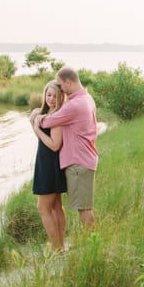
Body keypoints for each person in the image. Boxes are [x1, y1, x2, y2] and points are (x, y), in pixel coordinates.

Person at [33, 66, 98, 230]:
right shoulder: (87, 98)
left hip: (79, 162)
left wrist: (36, 118)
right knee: (83, 206)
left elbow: (47, 123)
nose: (60, 89)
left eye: (61, 86)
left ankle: (94, 246)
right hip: (85, 158)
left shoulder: (74, 105)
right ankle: (92, 244)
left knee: (84, 208)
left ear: (68, 82)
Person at [31, 80, 67, 251]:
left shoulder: (57, 117)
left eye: (56, 96)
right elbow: (39, 130)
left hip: (50, 165)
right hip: (49, 163)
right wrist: (35, 117)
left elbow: (54, 145)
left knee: (43, 208)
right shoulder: (49, 114)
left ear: (62, 98)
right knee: (55, 206)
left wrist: (37, 129)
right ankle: (60, 246)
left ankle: (57, 248)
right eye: (49, 94)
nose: (51, 99)